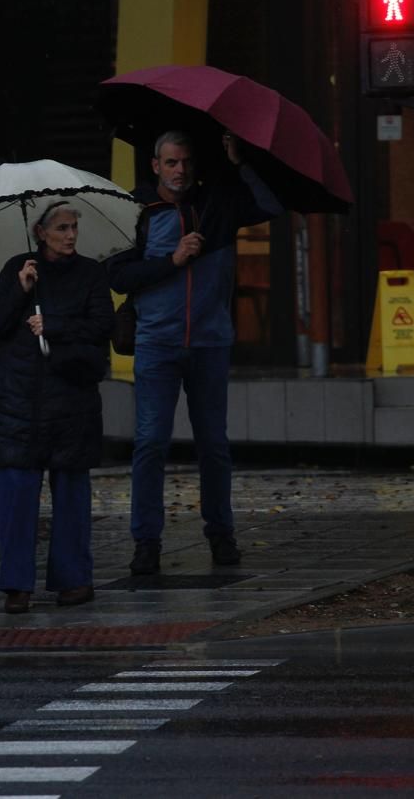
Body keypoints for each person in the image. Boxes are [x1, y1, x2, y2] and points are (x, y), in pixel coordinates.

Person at [107, 130, 284, 575]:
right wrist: (173, 261)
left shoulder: (217, 203)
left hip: (209, 343)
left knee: (214, 446)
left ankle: (221, 534)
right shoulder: (137, 210)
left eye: (185, 161)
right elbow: (118, 277)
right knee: (149, 443)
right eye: (170, 162)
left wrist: (241, 163)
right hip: (156, 344)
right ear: (155, 166)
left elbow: (271, 205)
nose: (179, 170)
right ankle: (146, 542)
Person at [0, 202, 114, 613]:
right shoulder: (18, 269)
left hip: (71, 402)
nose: (70, 235)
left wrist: (54, 324)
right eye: (61, 228)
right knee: (17, 495)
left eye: (74, 227)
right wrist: (20, 289)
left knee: (72, 494)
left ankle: (73, 579)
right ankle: (16, 585)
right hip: (20, 402)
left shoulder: (91, 274)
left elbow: (101, 327)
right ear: (41, 232)